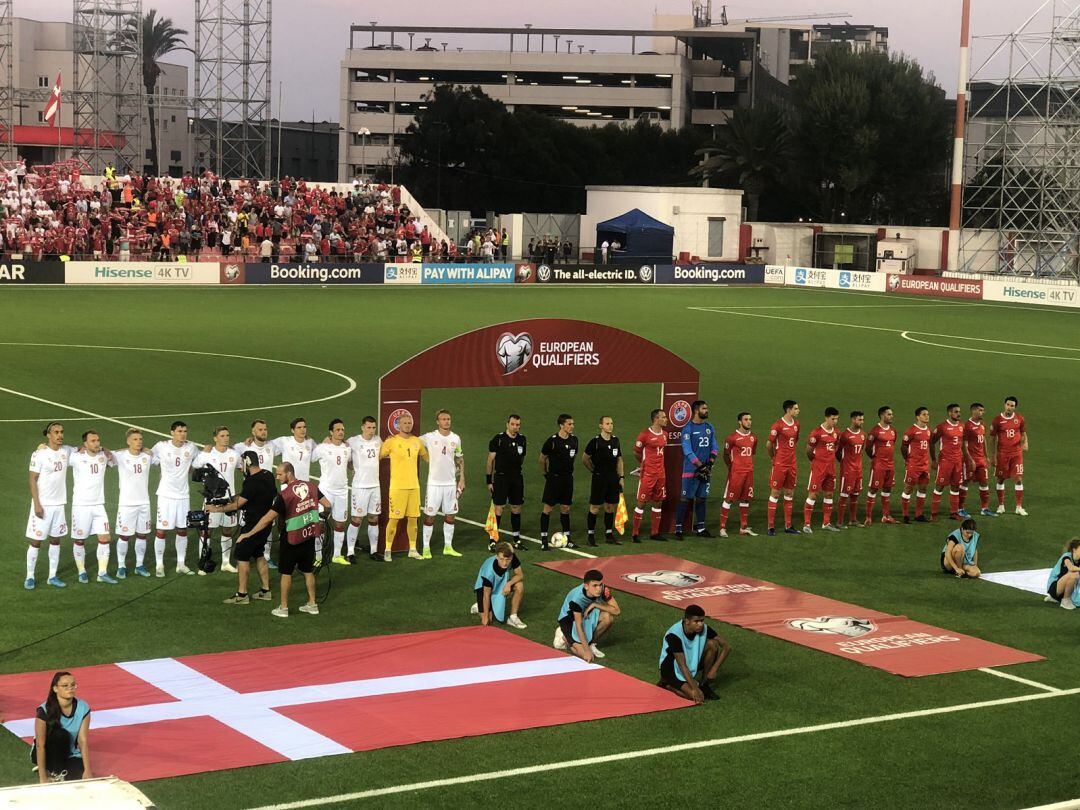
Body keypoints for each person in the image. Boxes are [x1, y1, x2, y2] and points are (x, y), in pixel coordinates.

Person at [235, 462, 330, 617]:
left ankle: (284, 607)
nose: (277, 477)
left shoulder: (285, 496)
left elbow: (267, 519)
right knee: (308, 571)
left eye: (280, 474)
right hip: (308, 537)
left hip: (291, 539)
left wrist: (248, 533)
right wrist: (322, 521)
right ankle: (312, 604)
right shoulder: (311, 486)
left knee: (286, 573)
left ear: (289, 474)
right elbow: (327, 505)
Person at [207, 451, 276, 604]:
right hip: (266, 524)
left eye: (242, 463)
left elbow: (239, 504)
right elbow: (251, 495)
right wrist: (230, 499)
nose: (240, 467)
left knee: (241, 555)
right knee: (259, 554)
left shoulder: (251, 481)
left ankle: (242, 594)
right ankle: (265, 591)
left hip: (253, 525)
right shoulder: (268, 475)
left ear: (247, 462)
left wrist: (216, 509)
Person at [26, 422, 73, 589]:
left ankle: (52, 576)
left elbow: (85, 449)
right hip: (43, 505)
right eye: (56, 432)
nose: (60, 435)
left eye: (62, 432)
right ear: (48, 435)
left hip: (59, 505)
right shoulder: (39, 454)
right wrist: (37, 504)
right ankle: (30, 576)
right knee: (36, 541)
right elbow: (32, 479)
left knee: (55, 540)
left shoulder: (66, 451)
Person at [151, 421, 201, 576]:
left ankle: (181, 564)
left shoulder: (191, 447)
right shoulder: (161, 446)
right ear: (172, 432)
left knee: (182, 529)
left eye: (185, 431)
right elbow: (149, 455)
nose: (183, 434)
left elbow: (199, 462)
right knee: (161, 530)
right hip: (165, 495)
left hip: (183, 496)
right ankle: (159, 565)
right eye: (179, 431)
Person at [68, 430, 118, 584]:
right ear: (85, 444)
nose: (96, 443)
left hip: (98, 505)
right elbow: (60, 452)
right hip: (81, 505)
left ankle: (102, 573)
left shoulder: (104, 456)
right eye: (93, 441)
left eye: (98, 440)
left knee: (105, 538)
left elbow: (121, 456)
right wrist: (42, 446)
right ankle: (82, 571)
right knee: (80, 540)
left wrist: (106, 450)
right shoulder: (75, 457)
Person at [380, 413, 429, 560]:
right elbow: (377, 457)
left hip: (414, 486)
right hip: (397, 487)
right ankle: (387, 550)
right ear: (398, 425)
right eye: (405, 423)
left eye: (409, 422)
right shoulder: (391, 442)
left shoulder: (417, 441)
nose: (408, 425)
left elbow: (427, 458)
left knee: (413, 519)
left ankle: (412, 549)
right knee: (394, 519)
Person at [658, 604, 730, 704]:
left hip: (688, 662)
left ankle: (704, 685)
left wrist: (714, 669)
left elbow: (727, 647)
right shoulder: (674, 635)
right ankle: (668, 685)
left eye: (702, 620)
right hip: (671, 669)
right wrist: (695, 689)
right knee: (698, 698)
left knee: (712, 645)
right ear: (687, 621)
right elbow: (682, 666)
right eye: (696, 621)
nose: (700, 624)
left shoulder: (703, 628)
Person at [195, 427, 241, 574]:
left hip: (229, 499)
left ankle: (226, 562)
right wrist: (203, 452)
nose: (226, 438)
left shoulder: (234, 454)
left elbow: (243, 469)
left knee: (227, 530)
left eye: (227, 435)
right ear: (215, 438)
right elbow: (195, 467)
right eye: (222, 436)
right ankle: (203, 562)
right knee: (206, 531)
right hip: (212, 499)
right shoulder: (207, 454)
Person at [420, 410, 465, 559]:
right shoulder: (429, 437)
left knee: (450, 516)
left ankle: (448, 546)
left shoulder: (456, 438)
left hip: (450, 484)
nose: (446, 421)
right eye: (443, 419)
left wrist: (462, 478)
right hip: (434, 484)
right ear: (437, 422)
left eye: (448, 419)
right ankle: (426, 548)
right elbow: (412, 441)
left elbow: (460, 459)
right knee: (430, 517)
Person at [113, 428, 157, 578]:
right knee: (124, 536)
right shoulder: (120, 456)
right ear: (128, 441)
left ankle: (139, 565)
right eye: (135, 439)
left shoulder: (147, 456)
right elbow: (102, 453)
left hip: (144, 503)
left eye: (140, 439)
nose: (139, 442)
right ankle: (121, 566)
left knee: (142, 535)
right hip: (126, 504)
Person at [33, 672, 92, 783]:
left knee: (78, 776)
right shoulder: (43, 710)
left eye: (73, 685)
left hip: (69, 752)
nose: (70, 688)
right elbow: (40, 745)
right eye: (65, 686)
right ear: (55, 688)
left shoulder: (83, 707)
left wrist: (88, 770)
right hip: (48, 751)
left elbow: (82, 740)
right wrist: (42, 778)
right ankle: (50, 769)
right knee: (60, 735)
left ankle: (59, 771)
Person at [235, 419, 277, 569]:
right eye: (260, 429)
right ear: (253, 432)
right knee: (245, 522)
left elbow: (297, 441)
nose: (263, 432)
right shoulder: (242, 447)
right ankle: (244, 551)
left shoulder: (272, 446)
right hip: (250, 492)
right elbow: (225, 453)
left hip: (266, 494)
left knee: (268, 524)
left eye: (265, 429)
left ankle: (266, 556)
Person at [553, 569, 620, 662]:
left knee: (608, 618)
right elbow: (578, 625)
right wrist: (587, 651)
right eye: (595, 586)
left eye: (600, 585)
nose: (599, 588)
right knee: (585, 656)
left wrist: (595, 605)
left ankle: (591, 643)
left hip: (586, 614)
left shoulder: (603, 590)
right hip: (569, 620)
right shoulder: (577, 599)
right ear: (586, 586)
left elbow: (616, 611)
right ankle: (564, 636)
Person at [677, 400, 718, 540]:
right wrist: (701, 466)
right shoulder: (688, 428)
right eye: (704, 408)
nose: (707, 410)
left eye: (707, 408)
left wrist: (710, 464)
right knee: (685, 499)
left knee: (702, 499)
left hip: (705, 471)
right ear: (696, 411)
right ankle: (678, 529)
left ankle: (701, 528)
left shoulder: (709, 427)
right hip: (691, 471)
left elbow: (714, 447)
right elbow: (687, 450)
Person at [314, 419, 352, 565]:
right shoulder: (323, 448)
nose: (341, 432)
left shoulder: (347, 448)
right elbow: (310, 458)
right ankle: (318, 556)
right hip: (326, 490)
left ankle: (336, 555)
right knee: (320, 523)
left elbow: (349, 463)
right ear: (331, 432)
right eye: (337, 430)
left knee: (340, 523)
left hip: (342, 491)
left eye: (342, 429)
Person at [487, 414, 527, 551]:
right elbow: (490, 460)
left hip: (516, 478)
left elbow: (521, 458)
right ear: (507, 424)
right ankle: (493, 540)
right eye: (513, 424)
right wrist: (489, 480)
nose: (515, 427)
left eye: (517, 425)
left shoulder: (522, 439)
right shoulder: (499, 439)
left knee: (516, 507)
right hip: (501, 478)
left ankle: (517, 539)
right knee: (499, 507)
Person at [346, 416, 383, 562]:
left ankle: (374, 550)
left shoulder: (378, 440)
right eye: (368, 427)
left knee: (374, 518)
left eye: (373, 427)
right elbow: (345, 459)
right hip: (360, 487)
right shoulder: (353, 441)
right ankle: (350, 552)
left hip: (375, 486)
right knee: (357, 518)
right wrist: (353, 468)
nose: (371, 430)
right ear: (362, 427)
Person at [539, 414, 579, 550]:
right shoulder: (552, 441)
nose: (572, 426)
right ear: (561, 425)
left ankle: (567, 538)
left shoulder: (574, 440)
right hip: (554, 479)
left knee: (566, 508)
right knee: (548, 508)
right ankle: (544, 539)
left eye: (572, 424)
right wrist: (546, 474)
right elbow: (542, 459)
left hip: (567, 479)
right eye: (569, 424)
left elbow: (572, 458)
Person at [583, 416, 624, 546]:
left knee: (610, 506)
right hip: (599, 478)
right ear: (601, 426)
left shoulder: (616, 441)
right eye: (607, 423)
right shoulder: (595, 442)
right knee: (595, 507)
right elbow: (585, 459)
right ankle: (590, 535)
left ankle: (609, 534)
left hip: (613, 478)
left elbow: (619, 460)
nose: (610, 426)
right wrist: (594, 471)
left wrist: (621, 477)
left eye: (611, 423)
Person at [632, 409, 668, 544]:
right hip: (648, 475)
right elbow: (636, 452)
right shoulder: (644, 435)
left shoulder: (665, 435)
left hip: (661, 474)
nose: (666, 419)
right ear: (656, 419)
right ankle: (635, 533)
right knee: (641, 503)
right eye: (663, 417)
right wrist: (643, 463)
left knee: (658, 502)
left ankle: (655, 532)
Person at [471, 541, 526, 629]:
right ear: (497, 556)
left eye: (507, 560)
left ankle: (513, 617)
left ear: (511, 557)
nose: (504, 563)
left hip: (501, 584)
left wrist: (509, 584)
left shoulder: (511, 557)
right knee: (489, 618)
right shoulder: (488, 572)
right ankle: (478, 606)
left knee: (519, 585)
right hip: (483, 589)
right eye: (501, 559)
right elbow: (486, 594)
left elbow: (520, 575)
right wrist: (485, 617)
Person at [803, 407, 841, 533]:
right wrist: (815, 461)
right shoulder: (817, 432)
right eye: (833, 418)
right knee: (813, 494)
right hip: (818, 468)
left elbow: (835, 447)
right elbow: (809, 450)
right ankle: (807, 524)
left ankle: (826, 523)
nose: (835, 421)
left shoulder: (837, 432)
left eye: (836, 419)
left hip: (831, 468)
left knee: (829, 494)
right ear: (826, 418)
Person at [719, 412, 757, 537]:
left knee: (746, 499)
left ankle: (743, 527)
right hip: (736, 473)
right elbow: (725, 454)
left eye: (750, 419)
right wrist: (731, 467)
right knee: (729, 499)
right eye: (746, 419)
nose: (749, 422)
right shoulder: (732, 438)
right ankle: (722, 528)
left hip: (749, 473)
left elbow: (752, 453)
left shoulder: (753, 438)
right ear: (739, 422)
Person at [766, 400, 801, 536]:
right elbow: (769, 444)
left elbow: (794, 441)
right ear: (788, 410)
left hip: (792, 464)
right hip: (780, 464)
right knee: (775, 493)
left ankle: (788, 525)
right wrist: (773, 458)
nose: (798, 411)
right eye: (796, 409)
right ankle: (770, 527)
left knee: (789, 494)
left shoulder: (797, 424)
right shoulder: (778, 425)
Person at [990, 396, 1028, 516]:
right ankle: (1001, 505)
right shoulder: (997, 420)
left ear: (1015, 407)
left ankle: (1019, 507)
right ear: (1004, 405)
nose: (1009, 407)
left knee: (1018, 479)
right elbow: (992, 439)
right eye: (1008, 405)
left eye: (1012, 406)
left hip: (1016, 454)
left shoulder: (1019, 419)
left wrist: (1025, 442)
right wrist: (992, 456)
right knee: (1001, 479)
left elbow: (1023, 432)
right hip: (1002, 454)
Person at [960, 402, 996, 518]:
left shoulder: (982, 424)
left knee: (984, 482)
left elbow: (983, 440)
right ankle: (960, 509)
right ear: (973, 411)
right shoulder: (967, 426)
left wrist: (986, 456)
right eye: (980, 410)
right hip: (970, 460)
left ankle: (984, 509)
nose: (982, 412)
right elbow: (964, 444)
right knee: (965, 482)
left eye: (983, 410)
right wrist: (970, 459)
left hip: (981, 459)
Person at [863, 406, 898, 525]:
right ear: (882, 415)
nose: (891, 416)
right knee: (873, 489)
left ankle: (886, 516)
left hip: (890, 465)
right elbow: (867, 448)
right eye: (889, 414)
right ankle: (868, 517)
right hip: (879, 465)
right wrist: (874, 458)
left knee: (887, 489)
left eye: (891, 414)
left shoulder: (893, 431)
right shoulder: (875, 431)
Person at [930, 404, 965, 521]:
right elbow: (931, 442)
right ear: (950, 413)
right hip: (945, 462)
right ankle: (934, 513)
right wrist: (934, 460)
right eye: (956, 412)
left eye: (959, 411)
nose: (958, 414)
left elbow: (962, 443)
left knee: (956, 487)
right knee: (939, 486)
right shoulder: (942, 427)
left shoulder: (961, 426)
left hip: (958, 462)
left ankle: (954, 513)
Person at [901, 407, 933, 524]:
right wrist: (908, 460)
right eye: (924, 414)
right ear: (918, 416)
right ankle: (905, 515)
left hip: (924, 466)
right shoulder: (911, 431)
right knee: (908, 488)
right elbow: (903, 447)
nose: (927, 416)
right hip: (913, 465)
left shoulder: (928, 430)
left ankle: (919, 514)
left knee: (923, 489)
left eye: (927, 414)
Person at [835, 411, 866, 529]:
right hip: (848, 470)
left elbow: (861, 449)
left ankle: (853, 519)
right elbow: (838, 452)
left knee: (855, 494)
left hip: (858, 470)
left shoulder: (863, 434)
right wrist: (844, 463)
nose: (861, 422)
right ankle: (839, 522)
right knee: (844, 495)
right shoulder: (845, 435)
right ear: (853, 420)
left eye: (862, 420)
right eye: (859, 420)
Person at [1045, 538, 1080, 609]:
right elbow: (1071, 568)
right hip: (1055, 587)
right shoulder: (1066, 557)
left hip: (1066, 588)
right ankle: (1065, 601)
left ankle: (1056, 598)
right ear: (1074, 550)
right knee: (1074, 575)